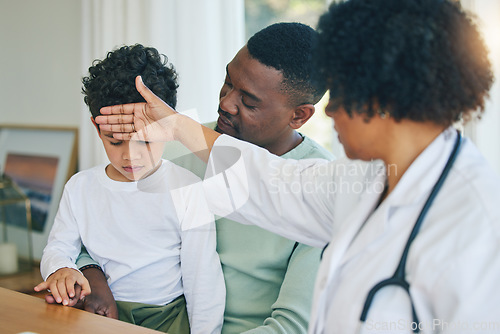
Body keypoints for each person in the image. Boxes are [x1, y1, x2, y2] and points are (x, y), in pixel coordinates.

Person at [96, 0, 500, 333]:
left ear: (387, 102)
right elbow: (269, 182)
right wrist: (174, 123)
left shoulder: (477, 222)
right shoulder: (366, 179)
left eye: (341, 94)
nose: (333, 110)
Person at [66, 22, 333, 334]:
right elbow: (98, 222)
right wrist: (91, 273)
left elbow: (291, 327)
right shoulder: (168, 142)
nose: (225, 103)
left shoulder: (323, 195)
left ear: (299, 115)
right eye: (227, 82)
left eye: (248, 101)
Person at [34, 44, 225, 334]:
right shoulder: (80, 187)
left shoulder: (188, 189)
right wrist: (61, 268)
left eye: (145, 141)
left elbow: (204, 279)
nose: (130, 156)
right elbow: (59, 247)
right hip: (103, 315)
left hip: (169, 318)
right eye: (115, 141)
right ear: (97, 129)